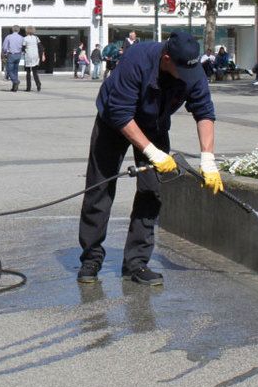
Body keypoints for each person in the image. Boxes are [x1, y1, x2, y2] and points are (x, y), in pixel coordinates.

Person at [76, 32, 222, 286]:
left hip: (154, 124)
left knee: (152, 191)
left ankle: (136, 263)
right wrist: (153, 153)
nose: (188, 78)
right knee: (100, 187)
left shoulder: (191, 69)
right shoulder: (137, 59)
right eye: (182, 72)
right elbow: (120, 114)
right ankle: (91, 258)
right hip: (114, 122)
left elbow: (204, 112)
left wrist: (208, 159)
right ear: (166, 59)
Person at [1, 25, 24, 92]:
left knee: (9, 70)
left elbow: (4, 47)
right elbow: (23, 46)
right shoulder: (21, 38)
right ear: (19, 30)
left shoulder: (8, 37)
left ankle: (15, 81)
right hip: (18, 55)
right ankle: (14, 87)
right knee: (15, 71)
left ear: (12, 30)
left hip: (11, 55)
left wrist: (5, 53)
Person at [22, 26, 44, 92]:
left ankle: (28, 88)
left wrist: (24, 51)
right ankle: (38, 84)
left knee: (28, 72)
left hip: (28, 56)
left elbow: (23, 47)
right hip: (35, 55)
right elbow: (40, 47)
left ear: (26, 31)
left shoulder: (25, 38)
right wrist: (41, 55)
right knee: (35, 72)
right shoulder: (36, 38)